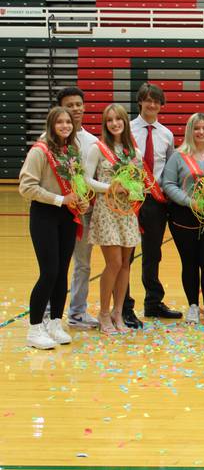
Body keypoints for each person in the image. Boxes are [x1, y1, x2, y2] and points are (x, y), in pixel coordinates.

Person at [19, 106, 88, 348]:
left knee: (61, 272)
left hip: (67, 216)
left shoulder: (72, 150)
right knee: (48, 272)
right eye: (60, 122)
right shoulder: (40, 151)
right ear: (51, 125)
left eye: (68, 122)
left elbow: (77, 181)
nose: (65, 126)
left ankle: (55, 323)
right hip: (45, 215)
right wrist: (60, 200)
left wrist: (81, 198)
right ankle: (35, 328)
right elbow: (26, 187)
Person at [161, 112, 204, 324]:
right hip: (183, 215)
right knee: (189, 262)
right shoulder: (178, 156)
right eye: (196, 128)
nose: (201, 132)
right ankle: (193, 305)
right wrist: (187, 200)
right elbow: (168, 184)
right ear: (189, 131)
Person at [124, 83, 182, 327]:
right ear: (140, 102)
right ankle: (124, 306)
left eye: (157, 101)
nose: (152, 105)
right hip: (128, 199)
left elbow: (169, 168)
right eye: (148, 100)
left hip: (155, 200)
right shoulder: (126, 129)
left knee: (152, 253)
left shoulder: (166, 134)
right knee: (125, 254)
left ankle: (153, 302)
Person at [83, 104, 142, 334]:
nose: (115, 123)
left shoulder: (133, 153)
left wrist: (133, 191)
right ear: (105, 124)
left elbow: (138, 183)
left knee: (126, 264)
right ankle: (103, 313)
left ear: (125, 122)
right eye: (110, 120)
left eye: (119, 119)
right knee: (114, 263)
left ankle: (118, 313)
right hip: (106, 210)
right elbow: (88, 179)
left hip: (127, 213)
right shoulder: (98, 148)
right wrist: (112, 188)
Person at [53, 87, 100, 329]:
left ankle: (77, 312)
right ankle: (50, 311)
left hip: (84, 211)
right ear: (60, 108)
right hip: (58, 212)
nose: (75, 109)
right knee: (56, 263)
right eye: (69, 105)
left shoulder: (93, 141)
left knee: (83, 263)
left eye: (78, 104)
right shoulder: (48, 141)